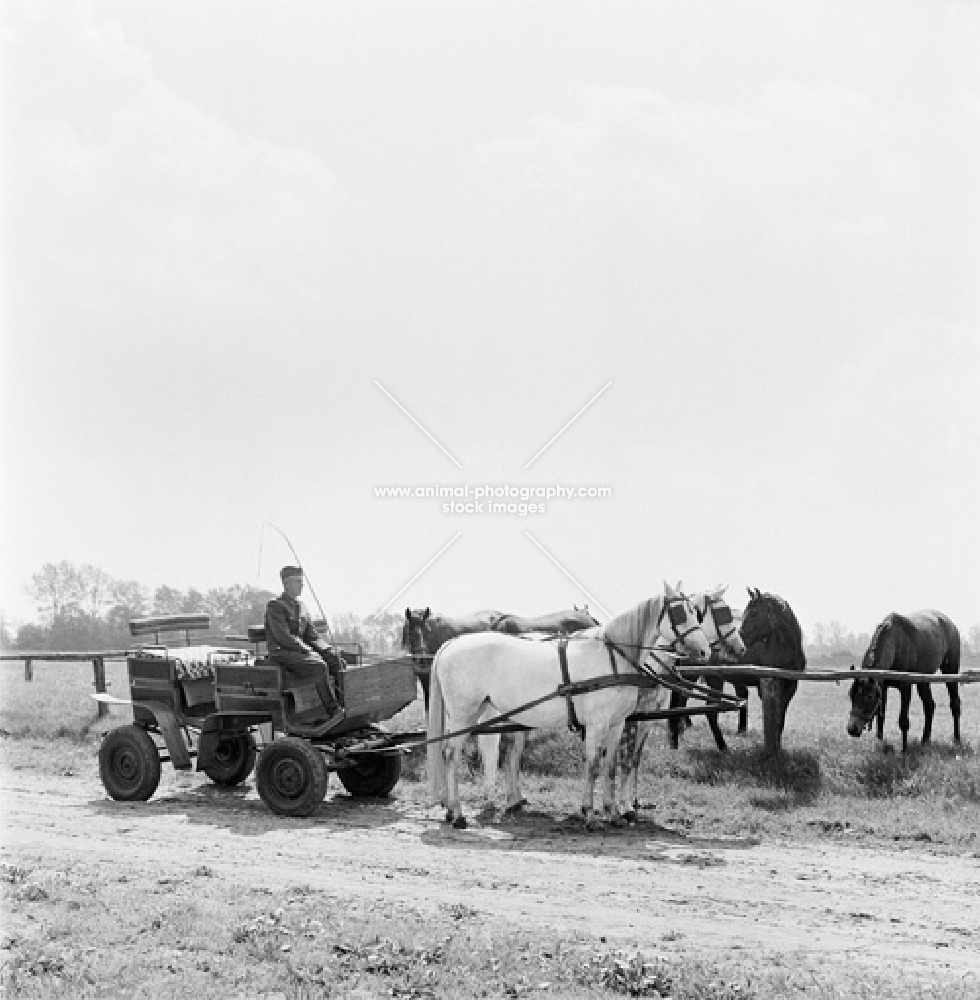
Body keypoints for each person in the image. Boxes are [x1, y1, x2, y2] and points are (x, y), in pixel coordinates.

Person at [265, 565, 345, 730]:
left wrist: (328, 649)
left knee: (336, 660)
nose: (302, 585)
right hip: (282, 652)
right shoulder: (275, 605)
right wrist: (307, 650)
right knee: (318, 666)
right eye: (297, 582)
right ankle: (332, 710)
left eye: (301, 582)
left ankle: (344, 702)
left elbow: (312, 636)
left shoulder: (302, 607)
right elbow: (282, 636)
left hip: (299, 651)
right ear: (286, 584)